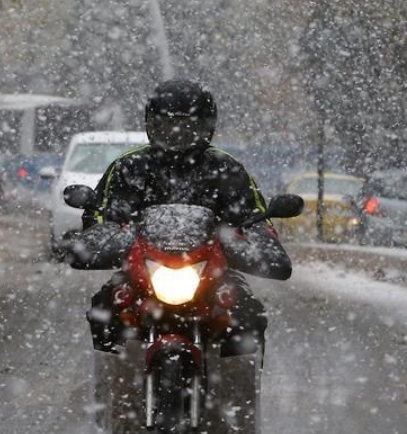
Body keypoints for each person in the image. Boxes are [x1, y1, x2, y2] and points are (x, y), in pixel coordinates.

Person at [74, 79, 292, 354]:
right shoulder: (129, 167)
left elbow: (255, 219)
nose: (176, 133)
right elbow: (102, 217)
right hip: (143, 273)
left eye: (187, 126)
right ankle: (112, 388)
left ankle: (237, 392)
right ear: (150, 124)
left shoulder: (227, 168)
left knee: (246, 313)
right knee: (106, 310)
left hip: (211, 275)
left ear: (207, 126)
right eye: (165, 125)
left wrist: (260, 243)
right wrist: (95, 241)